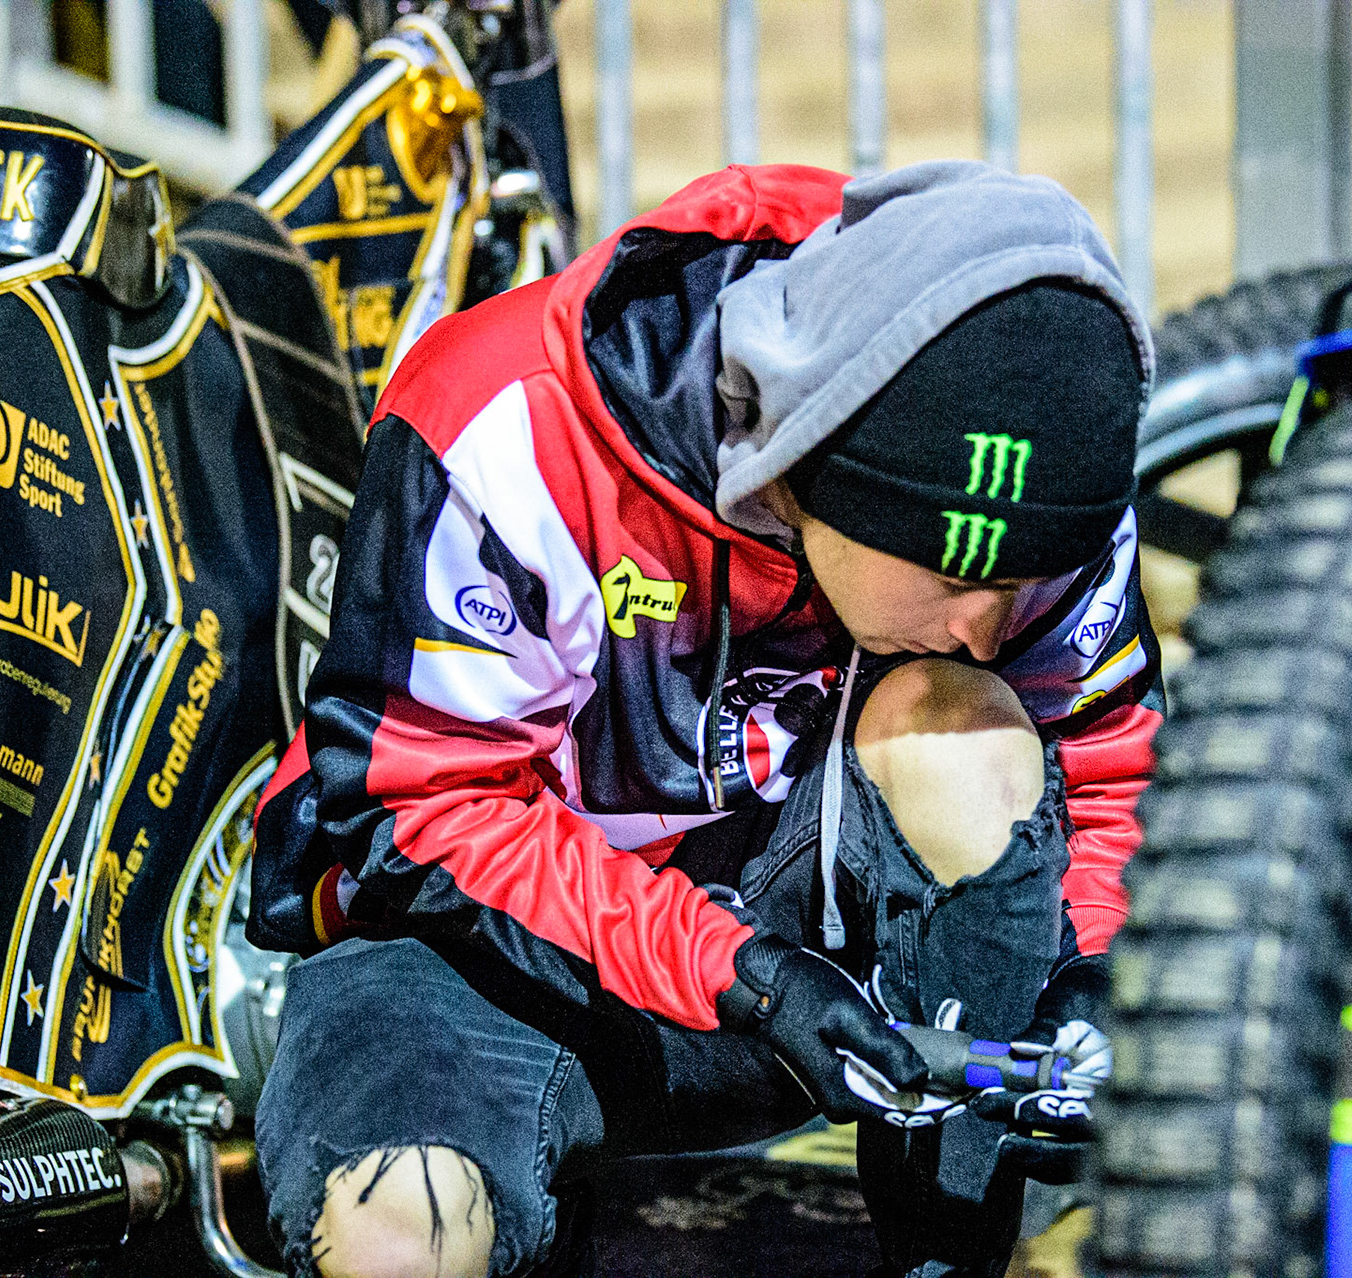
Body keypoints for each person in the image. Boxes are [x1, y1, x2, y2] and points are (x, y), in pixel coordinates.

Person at [247, 159, 1163, 1278]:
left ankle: (955, 1249)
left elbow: (1107, 763)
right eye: (953, 583)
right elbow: (427, 809)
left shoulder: (1037, 477)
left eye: (1028, 589)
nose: (990, 625)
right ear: (813, 460)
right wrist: (738, 972)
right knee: (399, 1233)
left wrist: (1100, 970)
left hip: (818, 980)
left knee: (964, 727)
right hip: (487, 965)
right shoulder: (504, 420)